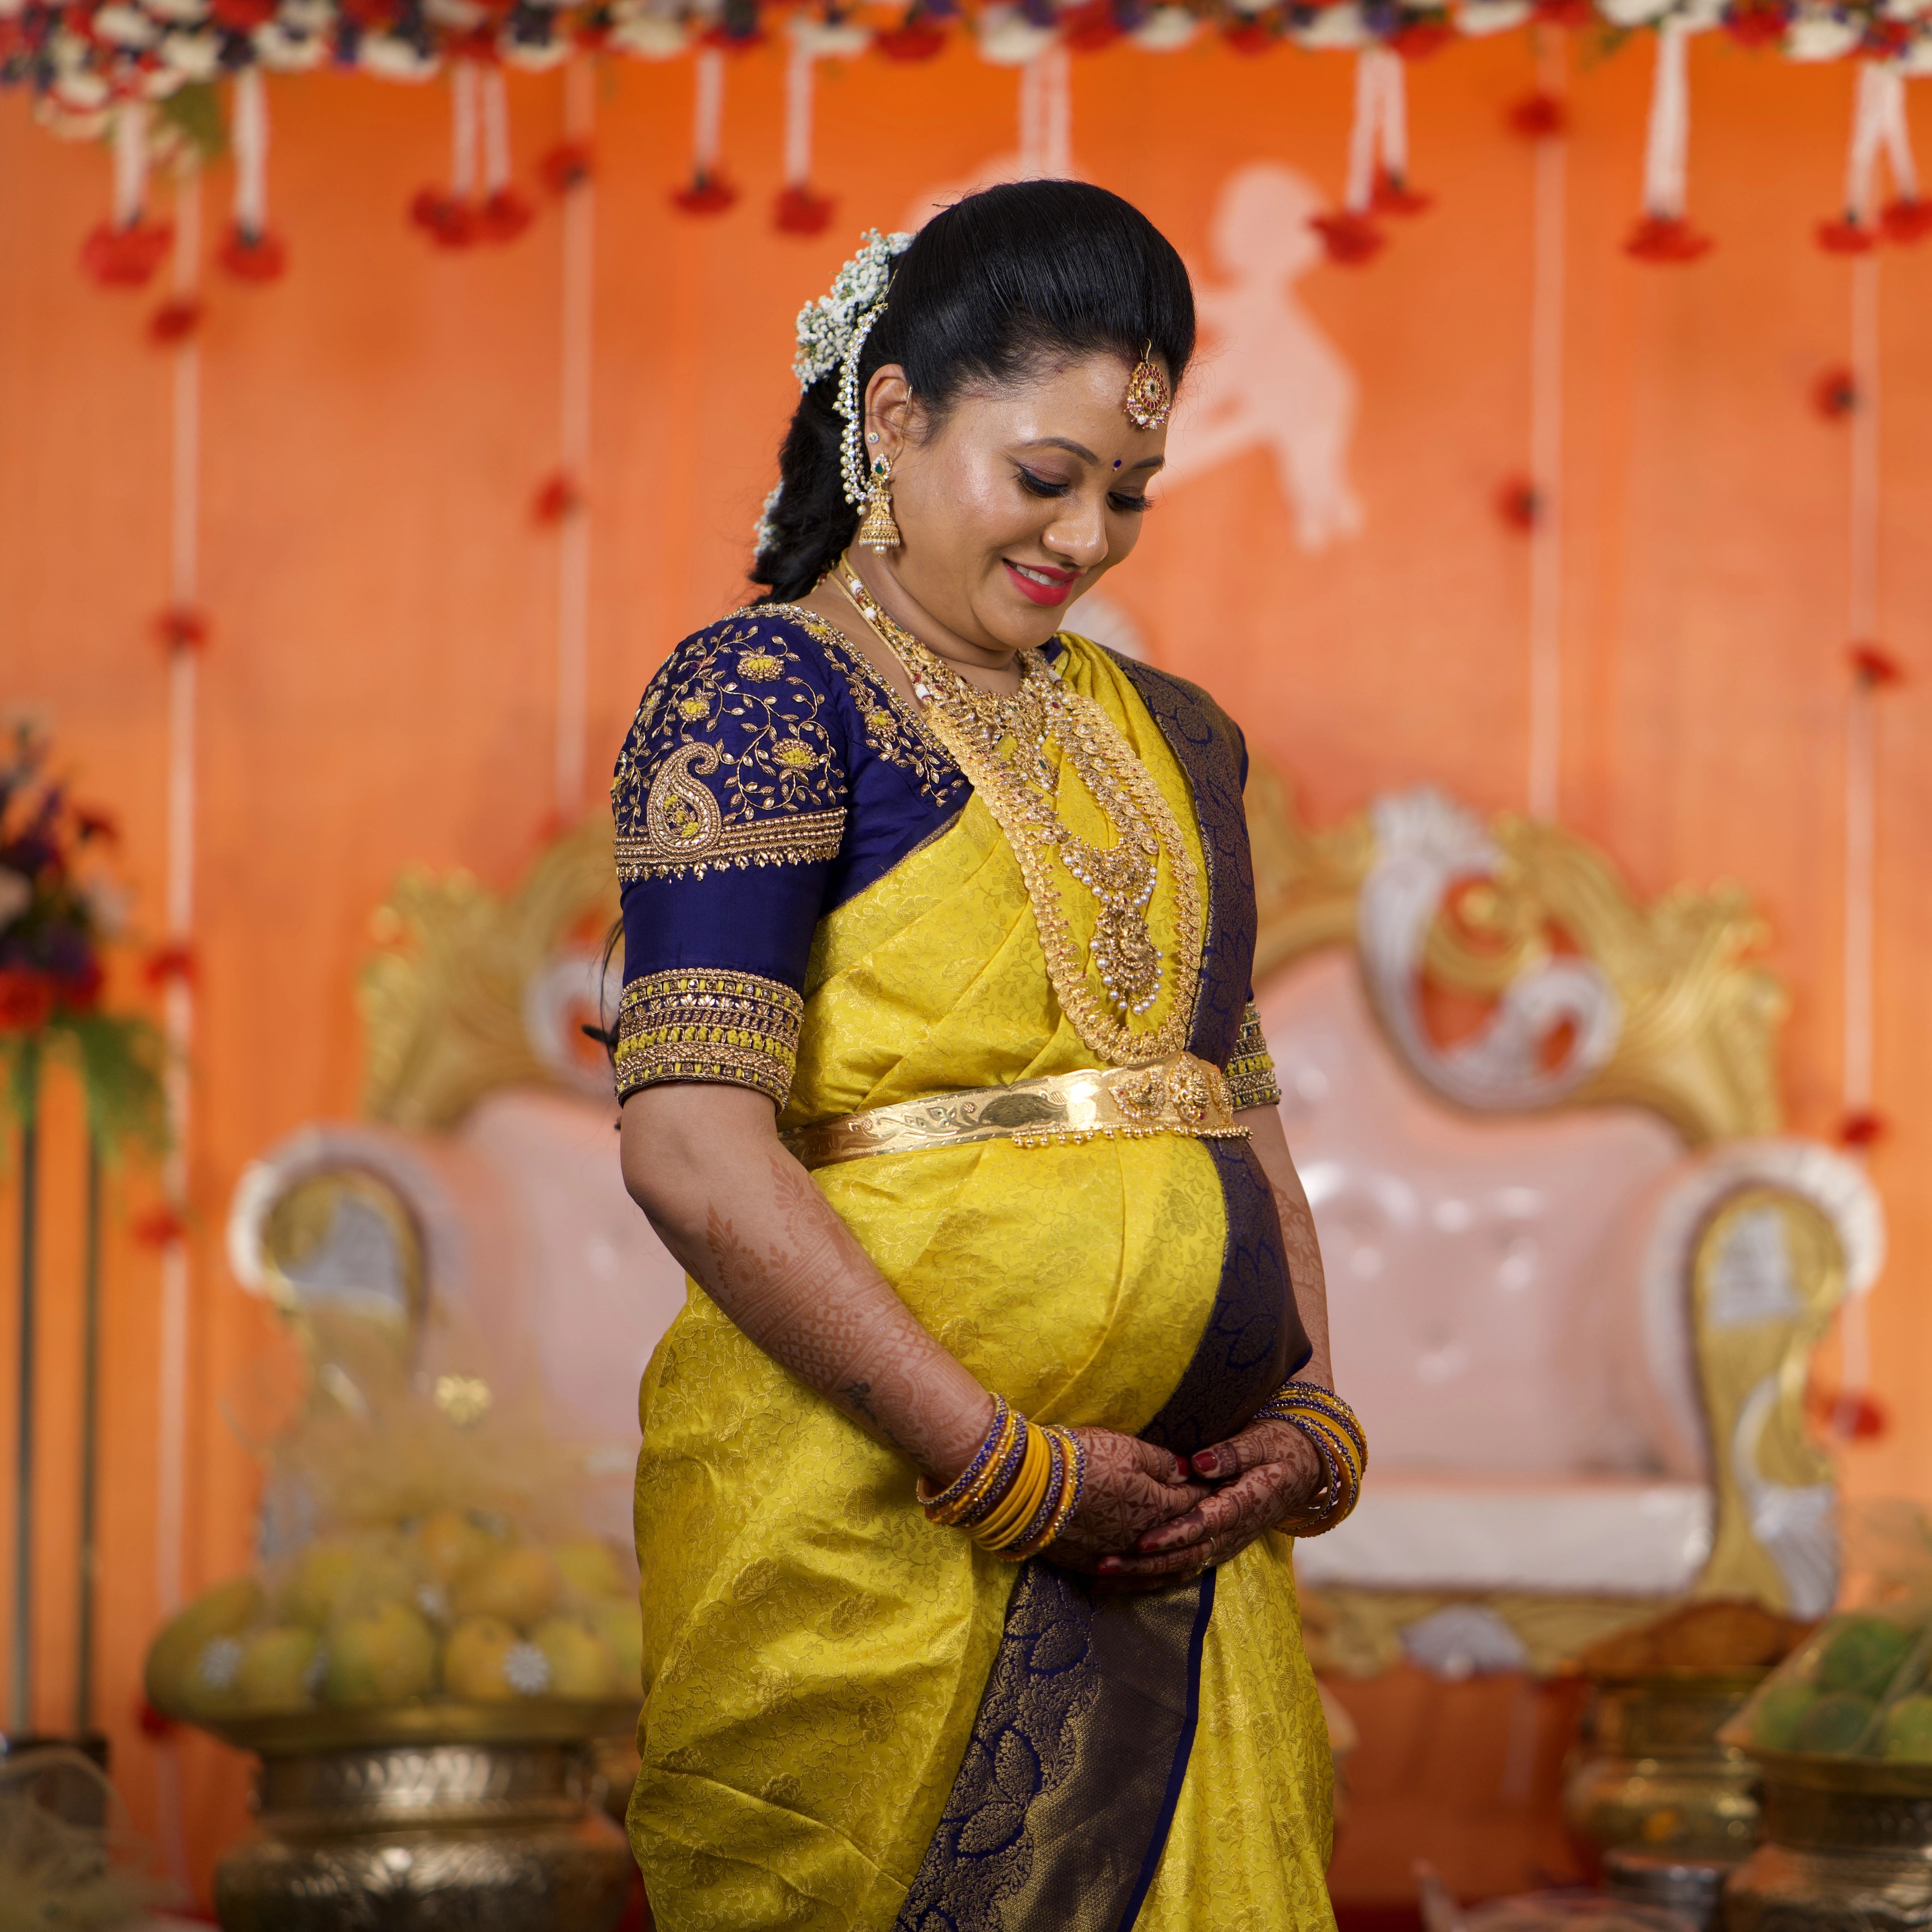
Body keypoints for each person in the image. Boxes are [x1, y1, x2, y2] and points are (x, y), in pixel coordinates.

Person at [612, 180, 1364, 1932]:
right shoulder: (765, 692)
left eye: (1128, 494)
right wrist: (1000, 1462)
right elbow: (693, 1151)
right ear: (893, 415)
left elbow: (1227, 1110)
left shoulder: (1173, 738)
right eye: (1046, 477)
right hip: (877, 1537)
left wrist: (1309, 1408)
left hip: (1180, 1551)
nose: (1089, 537)